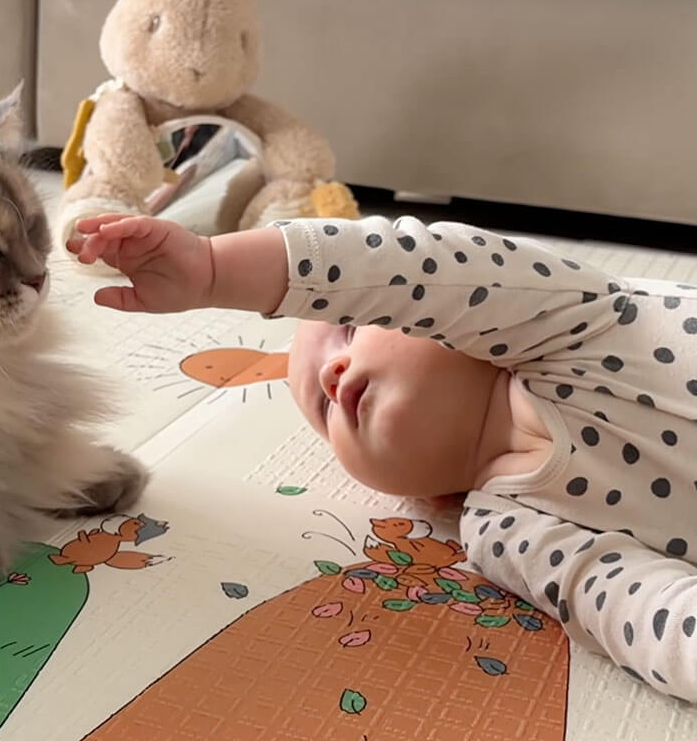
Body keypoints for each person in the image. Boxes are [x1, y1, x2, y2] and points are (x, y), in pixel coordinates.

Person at [68, 212, 697, 701]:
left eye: (348, 325)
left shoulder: (568, 316)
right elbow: (628, 607)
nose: (332, 374)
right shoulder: (504, 530)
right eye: (319, 410)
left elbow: (416, 266)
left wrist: (214, 270)